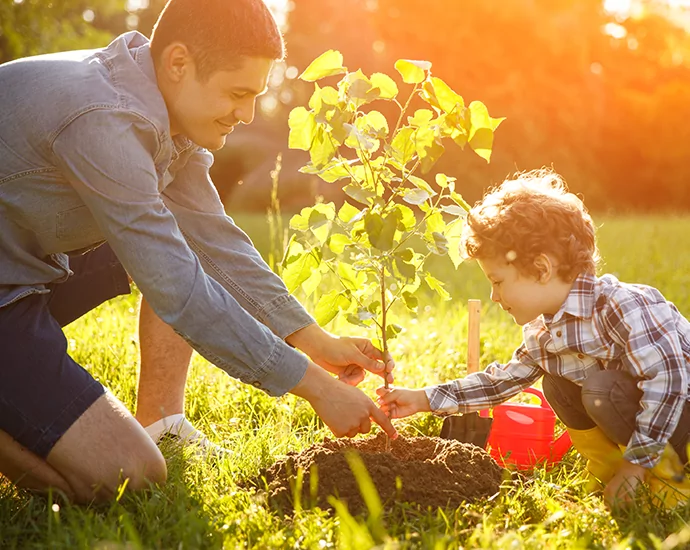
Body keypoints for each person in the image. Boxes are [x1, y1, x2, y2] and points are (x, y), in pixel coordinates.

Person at [0, 0, 396, 504]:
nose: (247, 113)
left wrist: (313, 338)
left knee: (176, 244)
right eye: (237, 93)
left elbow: (215, 241)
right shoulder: (106, 121)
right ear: (179, 63)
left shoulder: (161, 107)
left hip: (21, 264)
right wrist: (317, 388)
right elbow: (180, 290)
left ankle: (161, 421)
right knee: (129, 475)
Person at [377, 169, 690, 509]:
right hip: (645, 422)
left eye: (497, 281)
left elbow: (669, 382)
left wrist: (635, 466)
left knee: (601, 387)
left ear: (541, 269)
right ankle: (607, 474)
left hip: (681, 417)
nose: (494, 296)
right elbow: (499, 382)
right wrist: (423, 398)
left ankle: (669, 483)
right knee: (556, 382)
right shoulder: (545, 333)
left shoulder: (622, 307)